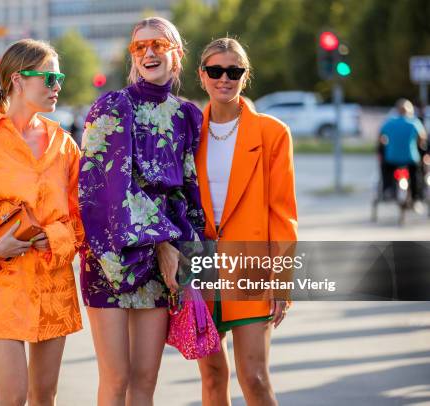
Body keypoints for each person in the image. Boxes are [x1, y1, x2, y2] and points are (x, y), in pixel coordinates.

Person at [0, 39, 84, 406]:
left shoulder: (66, 145)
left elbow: (80, 221)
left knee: (44, 395)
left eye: (60, 78)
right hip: (2, 282)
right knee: (12, 396)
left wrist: (51, 236)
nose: (57, 86)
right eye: (50, 77)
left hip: (53, 284)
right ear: (18, 80)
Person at [78, 17, 205, 405]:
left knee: (145, 381)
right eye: (139, 47)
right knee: (116, 379)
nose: (148, 52)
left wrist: (190, 257)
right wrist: (162, 242)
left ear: (176, 54)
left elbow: (188, 189)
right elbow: (100, 186)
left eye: (158, 44)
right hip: (111, 254)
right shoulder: (112, 106)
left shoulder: (187, 116)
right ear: (133, 57)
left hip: (162, 264)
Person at [194, 38, 298, 405]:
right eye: (215, 70)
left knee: (253, 377)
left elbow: (282, 213)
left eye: (234, 71)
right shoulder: (188, 132)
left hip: (252, 265)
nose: (224, 78)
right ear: (201, 75)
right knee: (211, 377)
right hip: (200, 267)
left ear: (245, 75)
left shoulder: (272, 133)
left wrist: (281, 278)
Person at [379, 98, 427, 204]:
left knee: (385, 169)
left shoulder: (389, 122)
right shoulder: (414, 123)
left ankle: (388, 189)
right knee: (416, 174)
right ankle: (416, 197)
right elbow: (422, 138)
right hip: (410, 158)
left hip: (392, 158)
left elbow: (381, 137)